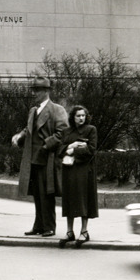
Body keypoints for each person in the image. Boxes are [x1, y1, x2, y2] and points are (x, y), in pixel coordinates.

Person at [13, 76, 68, 236]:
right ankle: (39, 225)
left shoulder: (57, 109)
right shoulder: (33, 110)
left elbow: (63, 133)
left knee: (47, 194)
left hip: (47, 158)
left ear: (46, 91)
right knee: (37, 194)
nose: (34, 93)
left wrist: (46, 146)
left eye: (37, 90)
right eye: (33, 90)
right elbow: (29, 129)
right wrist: (19, 136)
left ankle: (49, 226)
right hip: (33, 158)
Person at [58, 105, 99, 245]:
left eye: (83, 115)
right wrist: (71, 146)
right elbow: (59, 149)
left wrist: (73, 150)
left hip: (84, 170)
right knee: (69, 199)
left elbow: (91, 149)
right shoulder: (66, 131)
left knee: (83, 199)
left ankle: (84, 231)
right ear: (73, 117)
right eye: (78, 116)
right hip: (69, 169)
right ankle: (69, 231)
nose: (81, 118)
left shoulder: (91, 130)